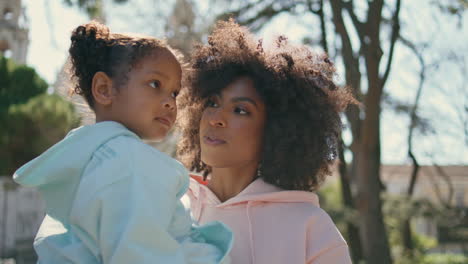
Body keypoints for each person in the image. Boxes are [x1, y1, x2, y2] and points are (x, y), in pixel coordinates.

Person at [13, 21, 232, 264]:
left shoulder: (89, 157)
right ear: (104, 89)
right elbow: (139, 255)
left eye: (174, 93)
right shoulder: (130, 162)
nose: (171, 102)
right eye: (155, 84)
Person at [177, 19, 355, 264]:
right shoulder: (173, 207)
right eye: (212, 103)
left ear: (276, 130)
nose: (216, 118)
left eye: (240, 110)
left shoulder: (310, 227)